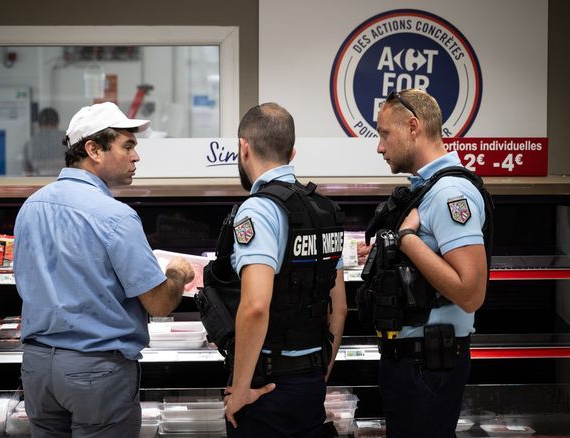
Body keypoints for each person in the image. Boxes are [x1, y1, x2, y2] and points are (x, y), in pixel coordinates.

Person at [13, 101, 194, 438]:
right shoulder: (116, 216)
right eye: (128, 146)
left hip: (37, 368)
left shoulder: (31, 206)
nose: (136, 157)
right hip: (96, 372)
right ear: (93, 149)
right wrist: (177, 274)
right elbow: (158, 303)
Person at [203, 102, 348, 437]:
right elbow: (339, 308)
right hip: (310, 380)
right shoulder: (325, 210)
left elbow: (255, 306)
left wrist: (240, 389)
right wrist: (319, 373)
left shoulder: (259, 210)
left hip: (266, 385)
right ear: (292, 152)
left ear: (243, 147)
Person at [366, 88, 492, 437]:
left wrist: (406, 242)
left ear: (413, 126)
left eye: (384, 134)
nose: (380, 146)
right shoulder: (427, 189)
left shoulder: (450, 193)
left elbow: (470, 292)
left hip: (427, 365)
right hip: (414, 362)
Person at [22, 107, 66, 176]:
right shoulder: (67, 139)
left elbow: (27, 173)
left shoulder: (30, 143)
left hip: (39, 184)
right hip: (64, 182)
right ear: (58, 122)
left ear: (39, 124)